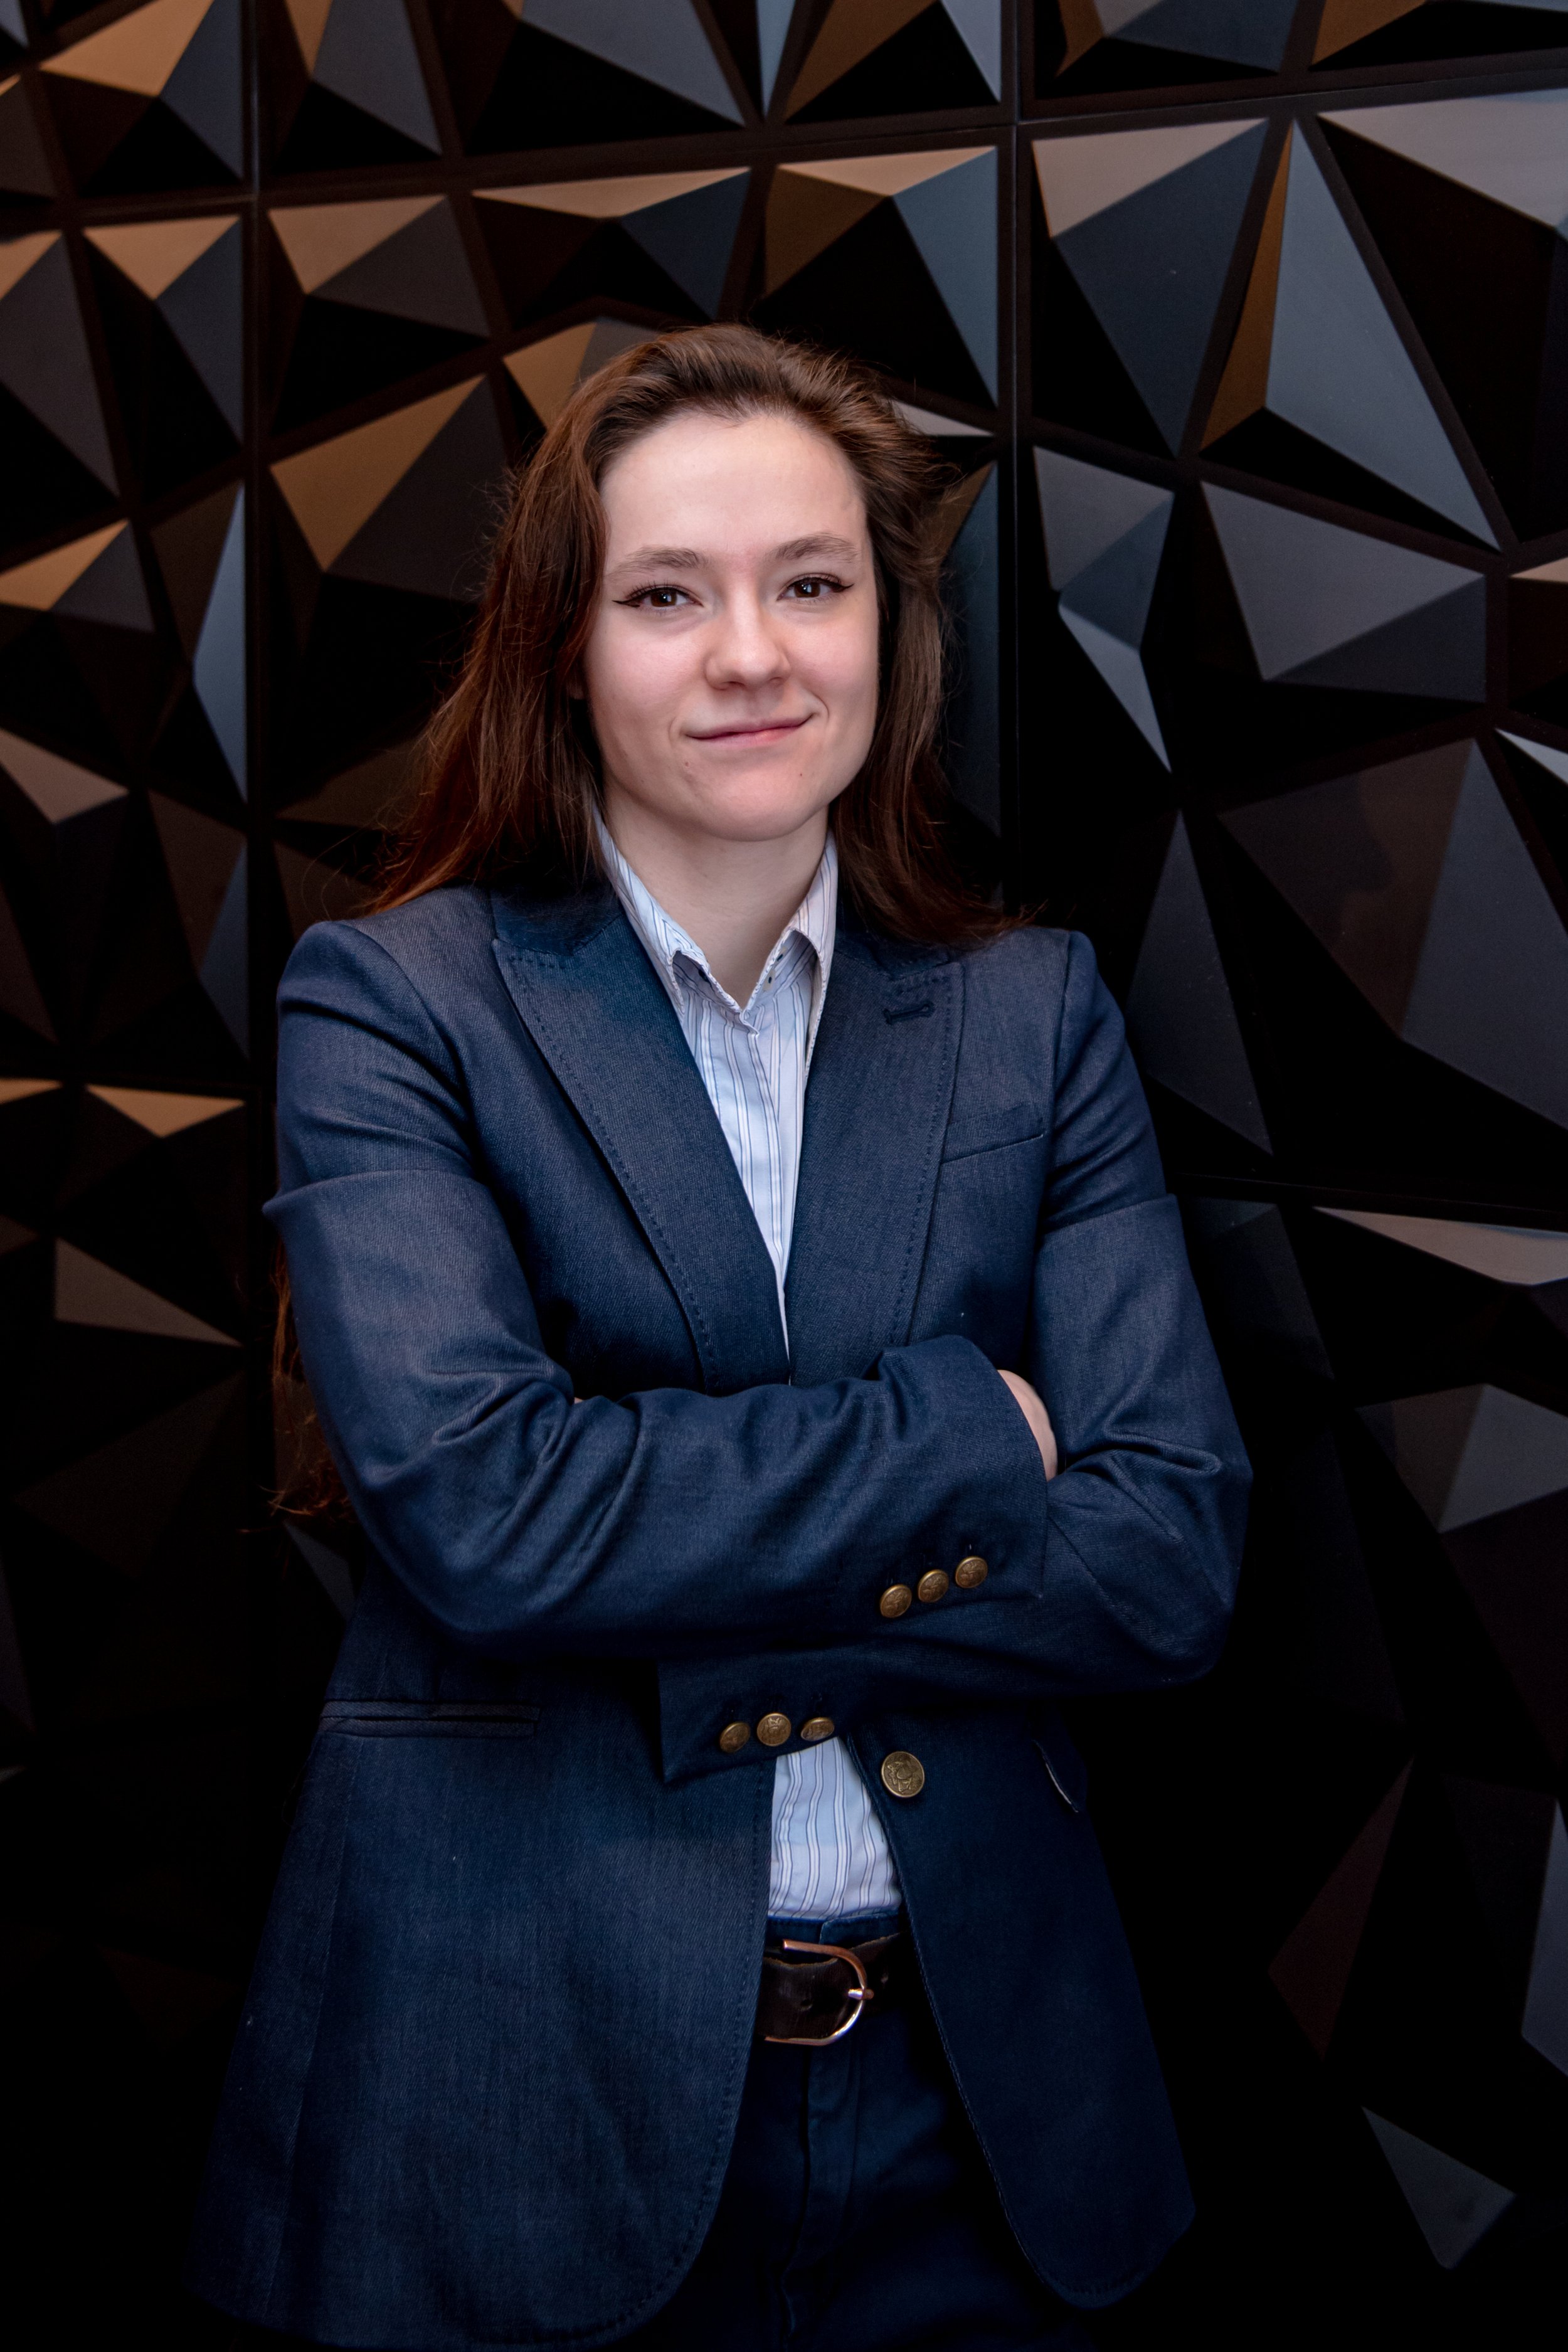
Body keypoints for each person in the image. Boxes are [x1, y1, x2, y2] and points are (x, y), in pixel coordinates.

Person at [188, 324, 1249, 2351]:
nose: (752, 654)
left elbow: (1168, 1556)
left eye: (810, 583)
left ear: (885, 625)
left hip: (986, 2116)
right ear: (562, 647)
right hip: (510, 2091)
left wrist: (652, 1546)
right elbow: (487, 1524)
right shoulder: (396, 1008)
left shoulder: (1035, 1016)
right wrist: (980, 1443)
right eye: (667, 595)